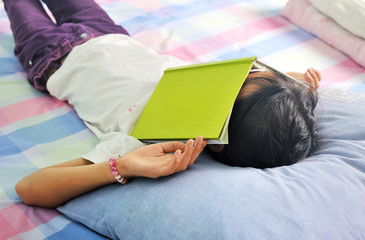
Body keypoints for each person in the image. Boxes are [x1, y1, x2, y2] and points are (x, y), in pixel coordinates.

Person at [4, 0, 321, 208]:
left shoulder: (151, 138)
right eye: (247, 72)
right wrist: (296, 86)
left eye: (234, 84)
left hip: (52, 56)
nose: (232, 74)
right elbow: (264, 96)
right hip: (111, 35)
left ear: (220, 138)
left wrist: (120, 167)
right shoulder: (216, 86)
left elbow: (30, 187)